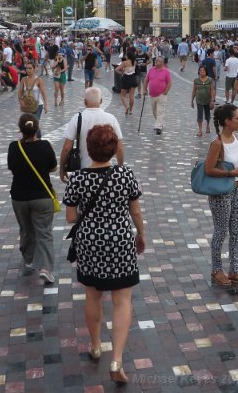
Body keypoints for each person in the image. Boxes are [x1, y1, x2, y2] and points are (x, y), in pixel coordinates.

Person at [64, 125, 145, 384]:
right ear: (114, 148)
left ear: (89, 148)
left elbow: (70, 218)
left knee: (92, 294)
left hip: (89, 240)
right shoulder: (125, 175)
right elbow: (136, 212)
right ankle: (116, 359)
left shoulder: (77, 178)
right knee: (122, 300)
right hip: (120, 239)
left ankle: (97, 345)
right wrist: (140, 234)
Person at [204, 104, 238, 288]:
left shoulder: (233, 137)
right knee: (221, 231)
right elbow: (209, 169)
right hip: (221, 193)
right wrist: (230, 174)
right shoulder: (217, 143)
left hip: (237, 189)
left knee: (237, 231)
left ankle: (234, 269)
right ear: (227, 121)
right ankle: (217, 269)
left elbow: (236, 159)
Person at [7, 114, 58, 284]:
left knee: (26, 228)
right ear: (37, 128)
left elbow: (12, 168)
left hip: (19, 197)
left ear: (20, 130)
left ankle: (28, 259)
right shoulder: (45, 146)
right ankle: (45, 268)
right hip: (42, 196)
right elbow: (53, 167)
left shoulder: (14, 147)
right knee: (44, 232)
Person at [60, 87, 124, 181]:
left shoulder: (77, 118)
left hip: (83, 170)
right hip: (106, 170)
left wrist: (62, 169)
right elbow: (119, 147)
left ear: (85, 101)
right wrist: (120, 167)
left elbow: (66, 148)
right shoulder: (111, 118)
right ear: (101, 100)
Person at [144, 56, 172, 135]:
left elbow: (169, 82)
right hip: (152, 94)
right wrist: (144, 89)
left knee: (160, 111)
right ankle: (159, 122)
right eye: (156, 61)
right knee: (154, 111)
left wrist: (165, 92)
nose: (156, 62)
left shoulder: (166, 71)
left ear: (162, 63)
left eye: (158, 61)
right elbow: (146, 80)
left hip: (161, 94)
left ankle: (158, 127)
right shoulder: (151, 69)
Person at [191, 65, 215, 137]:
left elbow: (212, 90)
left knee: (207, 114)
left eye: (203, 71)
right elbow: (194, 90)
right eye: (200, 71)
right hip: (199, 100)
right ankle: (200, 129)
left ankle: (207, 125)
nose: (202, 72)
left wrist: (212, 100)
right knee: (199, 115)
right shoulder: (196, 80)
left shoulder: (210, 80)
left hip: (208, 100)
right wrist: (192, 100)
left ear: (206, 71)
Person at [116, 49, 138, 116]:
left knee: (123, 95)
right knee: (132, 95)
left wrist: (121, 73)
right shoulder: (134, 62)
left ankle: (126, 107)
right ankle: (131, 110)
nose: (125, 56)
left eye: (126, 55)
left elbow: (116, 69)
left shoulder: (124, 63)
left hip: (126, 78)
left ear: (128, 56)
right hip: (133, 78)